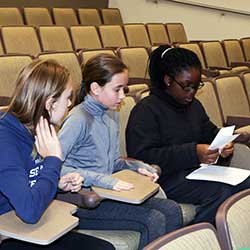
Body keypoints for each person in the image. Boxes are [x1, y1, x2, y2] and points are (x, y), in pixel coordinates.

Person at [58, 54, 182, 249]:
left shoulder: (110, 115)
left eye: (124, 90)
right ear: (95, 88)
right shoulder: (78, 119)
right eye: (117, 90)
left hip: (108, 195)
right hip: (83, 202)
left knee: (173, 210)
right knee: (154, 219)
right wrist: (105, 180)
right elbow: (55, 167)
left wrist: (138, 167)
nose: (123, 96)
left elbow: (114, 162)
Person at [125, 45, 250, 225]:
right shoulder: (146, 110)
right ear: (168, 80)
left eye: (196, 86)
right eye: (186, 86)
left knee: (246, 182)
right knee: (219, 193)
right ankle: (202, 239)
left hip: (196, 172)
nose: (191, 92)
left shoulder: (193, 106)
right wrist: (193, 152)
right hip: (164, 178)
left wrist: (223, 145)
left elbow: (209, 132)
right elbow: (143, 157)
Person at [0, 59, 114, 250]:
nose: (70, 104)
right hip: (8, 234)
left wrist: (57, 183)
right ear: (50, 103)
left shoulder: (36, 128)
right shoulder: (5, 139)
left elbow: (29, 182)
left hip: (27, 225)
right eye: (67, 98)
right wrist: (53, 160)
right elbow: (29, 211)